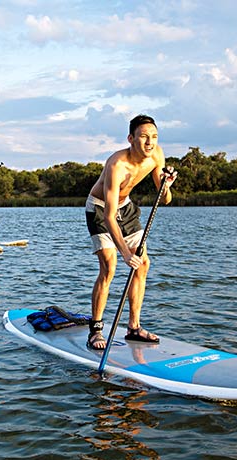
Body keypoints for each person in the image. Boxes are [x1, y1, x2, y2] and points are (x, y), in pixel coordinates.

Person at [84, 114, 177, 350]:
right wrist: (125, 253)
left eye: (154, 137)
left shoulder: (156, 155)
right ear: (130, 138)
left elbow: (164, 199)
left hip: (125, 208)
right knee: (110, 265)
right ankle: (96, 330)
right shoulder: (117, 165)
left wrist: (166, 186)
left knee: (143, 264)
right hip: (100, 208)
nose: (150, 142)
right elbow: (108, 216)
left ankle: (134, 327)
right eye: (144, 137)